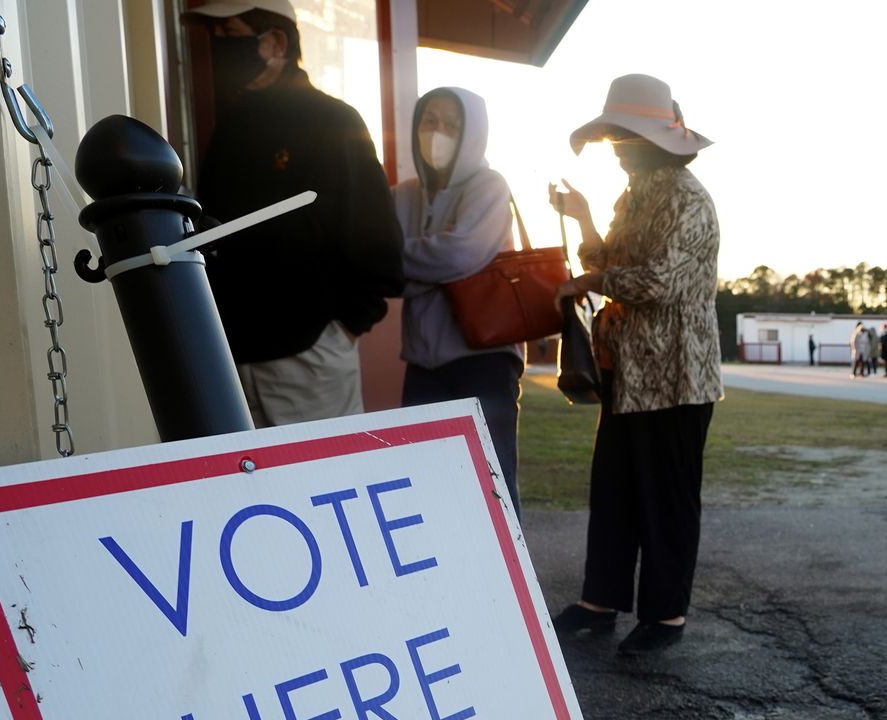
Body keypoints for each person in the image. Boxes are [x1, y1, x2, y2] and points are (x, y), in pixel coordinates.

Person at [548, 74, 721, 654]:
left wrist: (593, 278)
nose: (619, 148)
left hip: (677, 376)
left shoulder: (687, 199)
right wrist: (583, 218)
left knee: (666, 497)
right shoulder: (637, 193)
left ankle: (666, 615)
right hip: (629, 373)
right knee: (616, 488)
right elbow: (612, 260)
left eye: (626, 136)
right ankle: (601, 601)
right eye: (615, 136)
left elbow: (660, 282)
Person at [186, 0, 403, 427]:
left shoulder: (332, 120)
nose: (218, 47)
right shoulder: (231, 127)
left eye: (229, 35)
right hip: (232, 361)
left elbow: (377, 242)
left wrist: (342, 327)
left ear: (275, 42)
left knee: (325, 480)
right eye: (216, 38)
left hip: (310, 360)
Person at [392, 88, 523, 510]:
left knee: (491, 483)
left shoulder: (489, 185)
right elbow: (386, 269)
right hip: (423, 364)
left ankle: (506, 577)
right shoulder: (403, 194)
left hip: (483, 359)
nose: (438, 132)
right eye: (429, 121)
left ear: (473, 132)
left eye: (451, 123)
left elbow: (461, 252)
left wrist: (409, 265)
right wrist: (434, 268)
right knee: (425, 485)